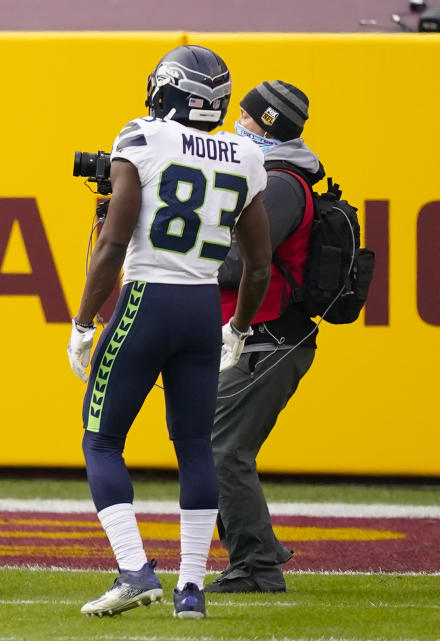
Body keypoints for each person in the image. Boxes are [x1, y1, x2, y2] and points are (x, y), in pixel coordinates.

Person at [66, 45, 272, 619]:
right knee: (194, 447)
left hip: (147, 301)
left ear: (168, 91)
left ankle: (134, 570)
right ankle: (191, 589)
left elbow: (111, 243)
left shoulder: (143, 136)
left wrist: (84, 320)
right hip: (204, 309)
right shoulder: (246, 153)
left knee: (101, 438)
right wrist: (238, 326)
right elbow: (258, 264)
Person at [206, 80, 321, 594]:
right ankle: (258, 549)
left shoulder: (278, 185)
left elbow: (239, 265)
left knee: (223, 451)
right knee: (216, 445)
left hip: (266, 339)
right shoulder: (273, 179)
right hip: (258, 339)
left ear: (267, 125)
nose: (240, 126)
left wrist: (182, 257)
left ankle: (256, 568)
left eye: (249, 119)